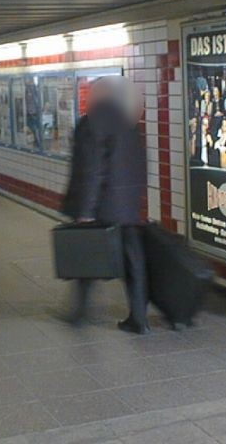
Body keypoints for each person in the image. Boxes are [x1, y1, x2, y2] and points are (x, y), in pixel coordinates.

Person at [61, 76, 149, 335]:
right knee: (134, 264)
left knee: (87, 257)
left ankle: (79, 313)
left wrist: (86, 211)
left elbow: (92, 170)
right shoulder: (129, 124)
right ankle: (139, 318)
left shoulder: (91, 124)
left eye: (91, 93)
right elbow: (140, 167)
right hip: (127, 209)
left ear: (99, 96)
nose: (88, 98)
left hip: (101, 206)